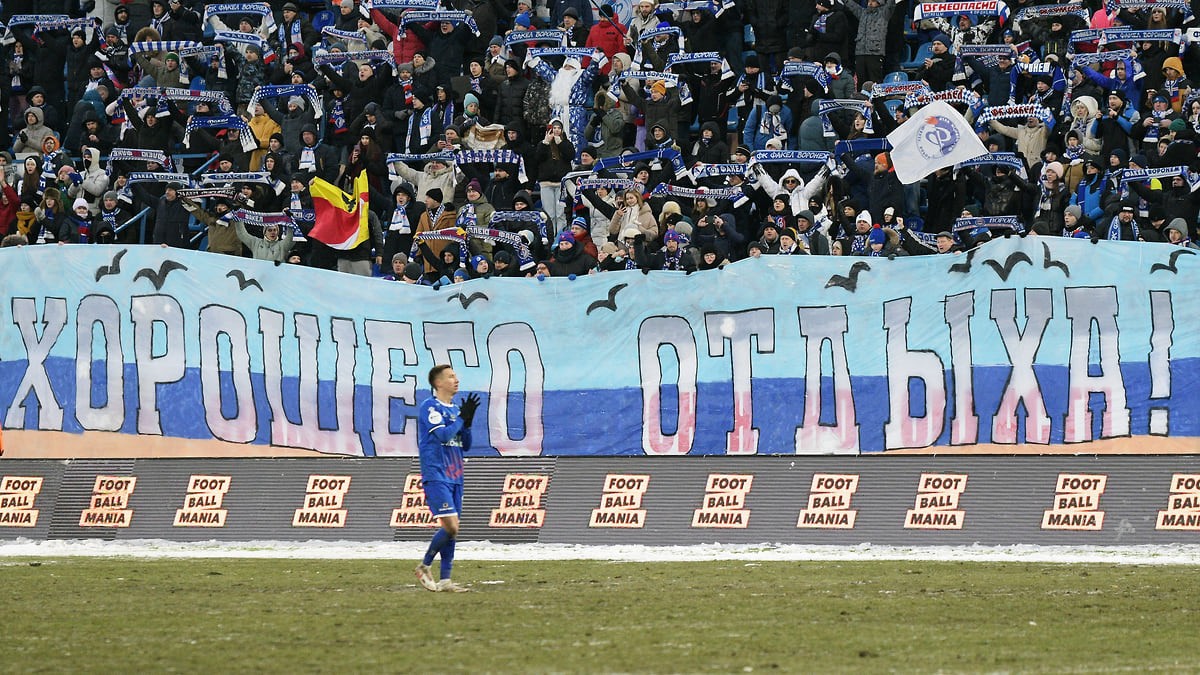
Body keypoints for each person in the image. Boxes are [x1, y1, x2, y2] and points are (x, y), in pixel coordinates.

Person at [415, 364, 480, 594]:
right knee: (451, 526)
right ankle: (424, 566)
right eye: (451, 376)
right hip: (436, 473)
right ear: (438, 383)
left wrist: (467, 424)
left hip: (456, 476)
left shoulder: (454, 410)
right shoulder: (429, 406)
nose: (456, 379)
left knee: (453, 530)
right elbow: (442, 435)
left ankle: (445, 581)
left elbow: (467, 445)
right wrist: (461, 420)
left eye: (456, 375)